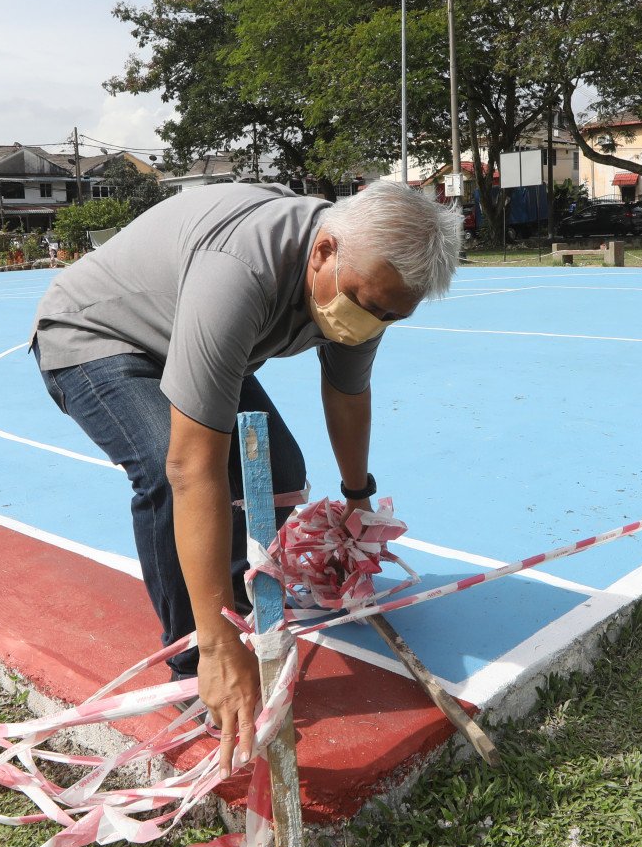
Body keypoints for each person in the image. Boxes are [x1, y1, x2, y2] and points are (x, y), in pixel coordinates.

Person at [30, 180, 460, 772]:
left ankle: (238, 614)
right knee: (162, 467)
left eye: (391, 316)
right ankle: (197, 665)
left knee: (280, 474)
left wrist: (357, 498)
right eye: (366, 305)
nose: (369, 324)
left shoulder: (363, 283)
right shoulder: (241, 271)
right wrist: (214, 639)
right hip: (99, 337)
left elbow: (347, 391)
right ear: (323, 252)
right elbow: (190, 467)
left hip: (184, 333)